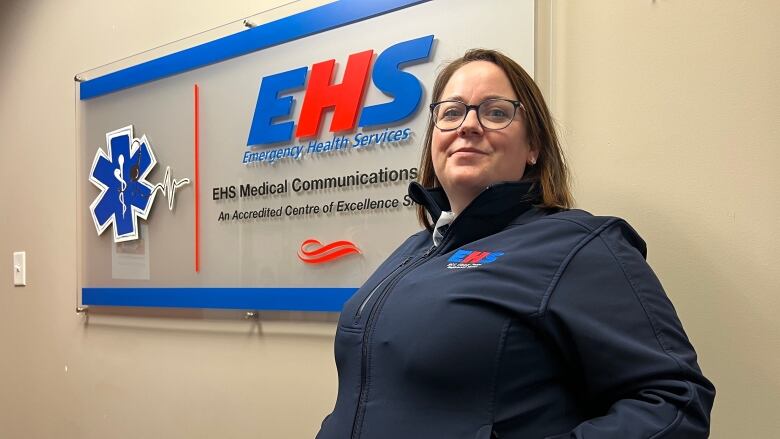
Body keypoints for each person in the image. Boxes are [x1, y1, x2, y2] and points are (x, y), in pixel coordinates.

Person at [315, 49, 715, 439]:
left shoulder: (579, 245)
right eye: (451, 112)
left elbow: (675, 403)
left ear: (533, 148)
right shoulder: (414, 249)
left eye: (495, 112)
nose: (467, 126)